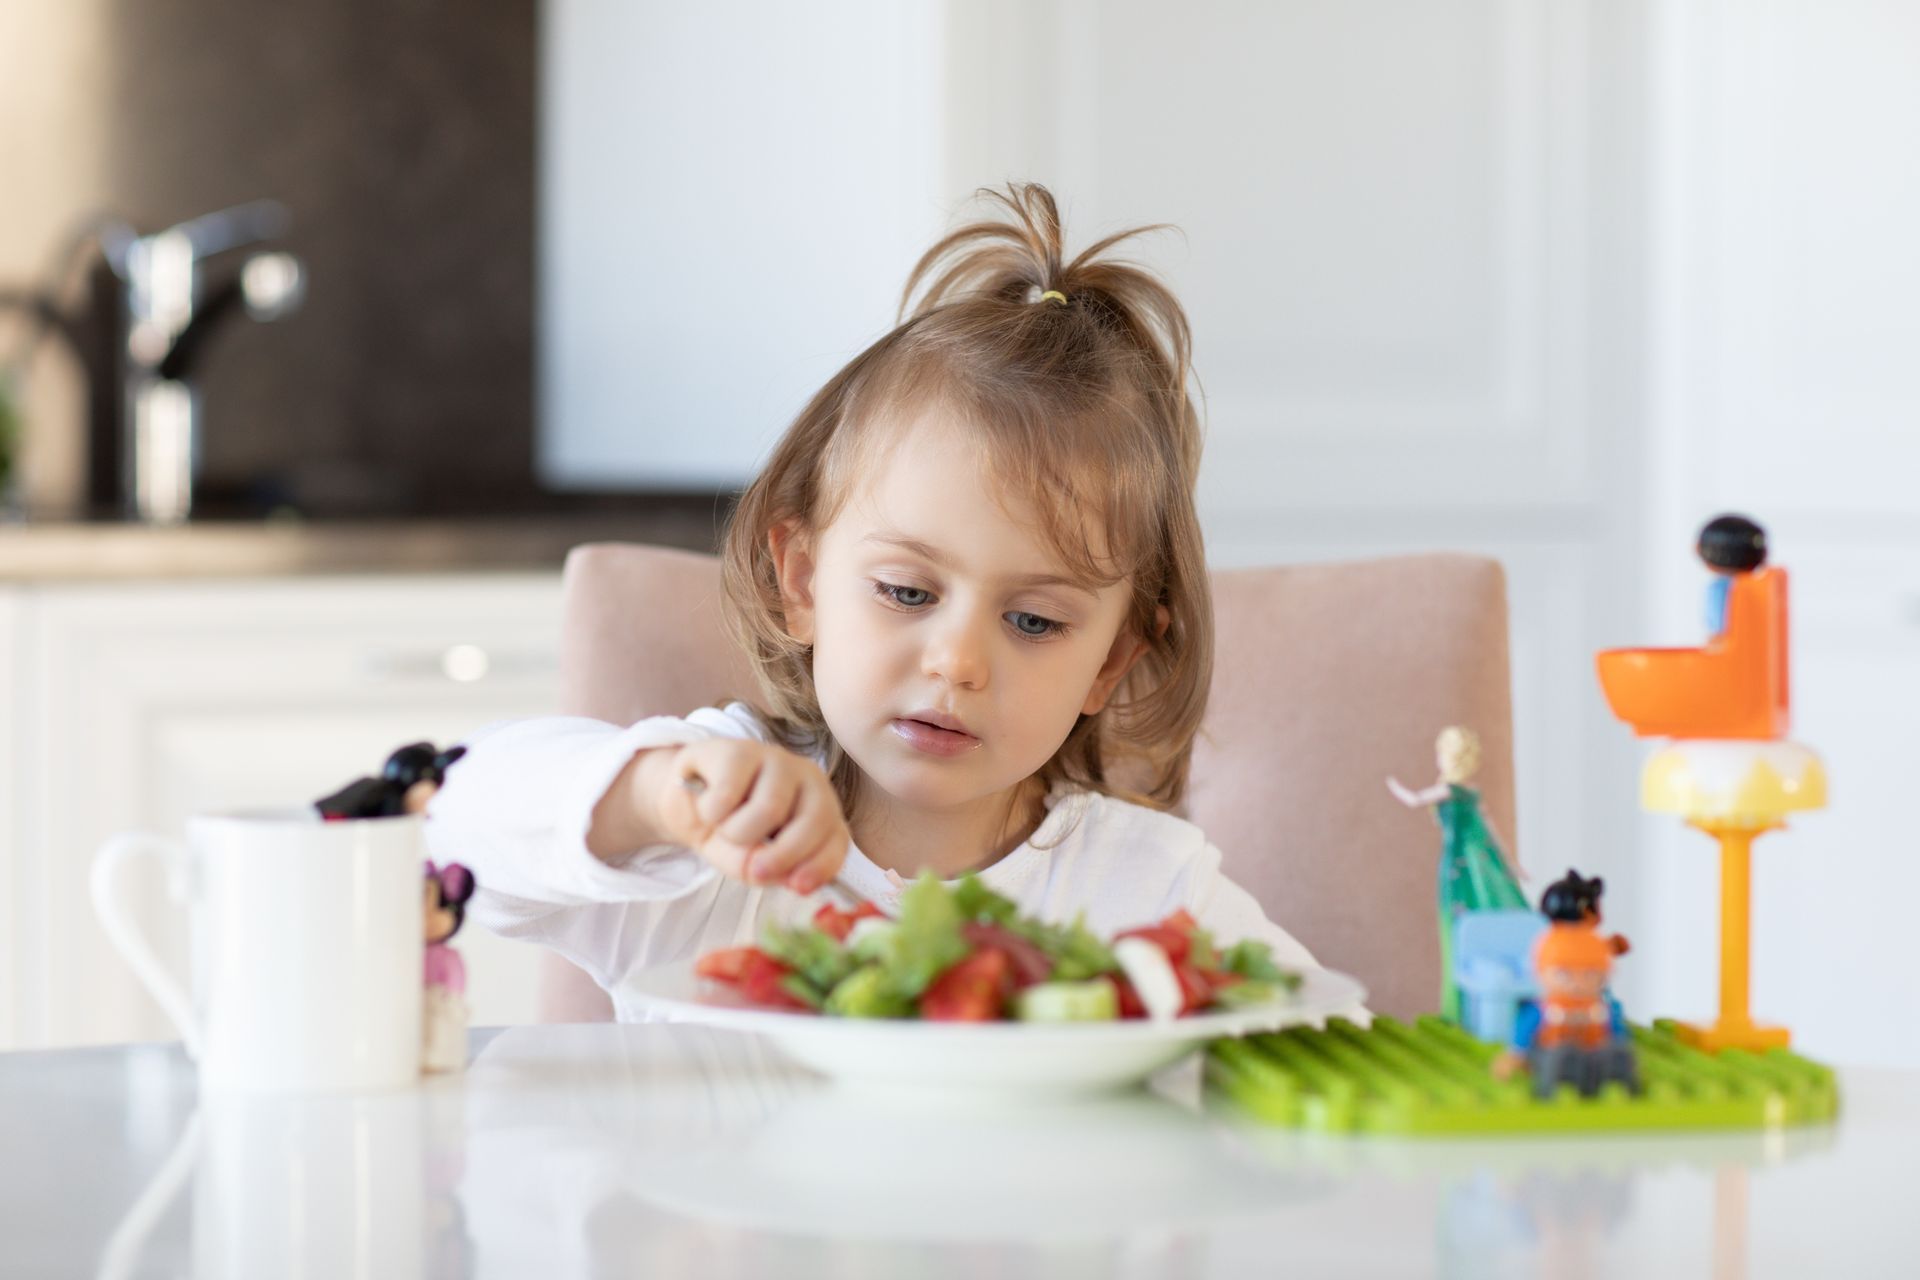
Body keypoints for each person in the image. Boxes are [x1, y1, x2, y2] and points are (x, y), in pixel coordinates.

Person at [425, 183, 1328, 1019]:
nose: (958, 661)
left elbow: (1332, 1044)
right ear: (804, 580)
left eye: (1035, 622)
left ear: (1114, 659)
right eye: (905, 590)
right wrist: (657, 796)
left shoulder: (1149, 889)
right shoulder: (705, 843)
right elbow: (450, 822)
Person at [1386, 726, 1528, 1022]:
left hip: (1457, 866)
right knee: (1468, 926)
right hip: (1470, 863)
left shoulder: (1450, 791)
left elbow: (1414, 800)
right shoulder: (1471, 793)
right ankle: (1466, 1007)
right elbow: (1491, 830)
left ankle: (1464, 1008)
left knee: (1459, 927)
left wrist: (1393, 786)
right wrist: (1510, 863)